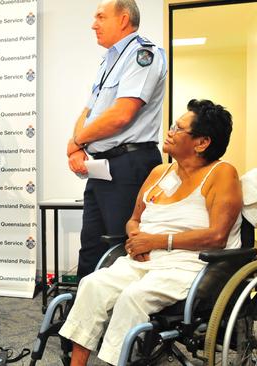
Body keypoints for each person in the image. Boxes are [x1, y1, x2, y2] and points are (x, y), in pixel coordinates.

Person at [59, 99, 242, 365]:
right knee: (92, 285)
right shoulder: (159, 172)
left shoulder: (221, 173)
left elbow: (217, 236)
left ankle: (115, 362)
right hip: (143, 258)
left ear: (201, 143)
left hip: (188, 266)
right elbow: (133, 220)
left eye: (178, 128)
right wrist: (136, 238)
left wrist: (156, 241)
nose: (169, 132)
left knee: (133, 298)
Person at [68, 0, 166, 280]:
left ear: (123, 19)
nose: (93, 23)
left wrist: (77, 140)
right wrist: (77, 146)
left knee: (122, 246)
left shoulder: (142, 54)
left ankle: (121, 317)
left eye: (100, 16)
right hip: (102, 165)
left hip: (130, 164)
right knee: (92, 244)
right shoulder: (109, 60)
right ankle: (83, 314)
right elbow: (90, 110)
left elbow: (122, 114)